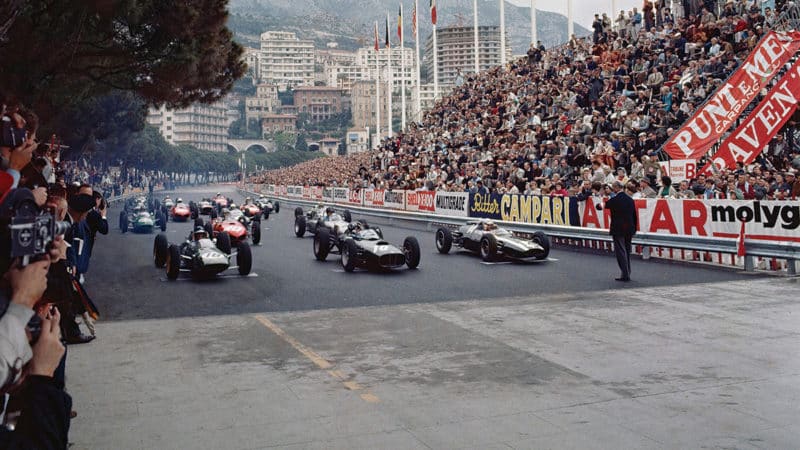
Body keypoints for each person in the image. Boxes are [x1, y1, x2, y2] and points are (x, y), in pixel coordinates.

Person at [603, 180, 637, 282]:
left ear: (616, 188)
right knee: (627, 250)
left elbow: (604, 205)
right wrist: (634, 228)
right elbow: (634, 215)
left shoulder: (615, 199)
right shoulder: (630, 199)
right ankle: (627, 272)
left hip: (618, 228)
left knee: (620, 251)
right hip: (629, 228)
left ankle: (625, 273)